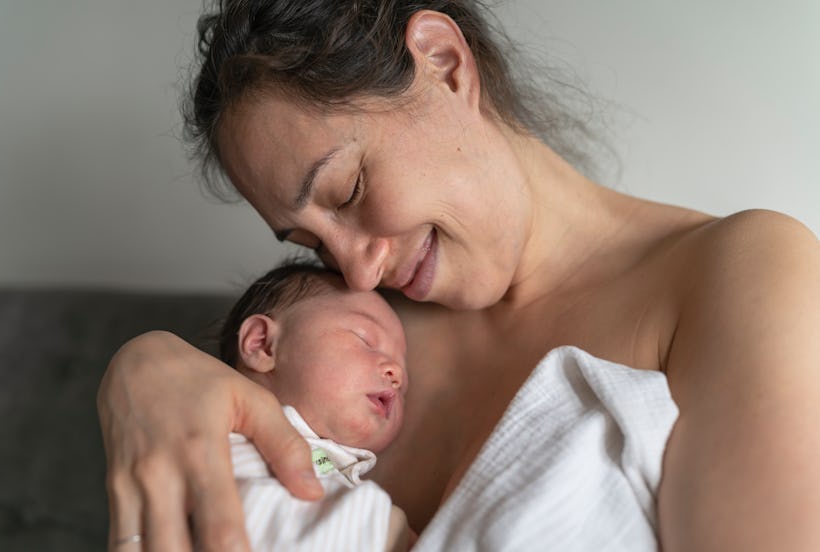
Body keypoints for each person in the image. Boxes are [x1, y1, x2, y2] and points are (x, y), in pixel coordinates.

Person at [97, 1, 820, 551]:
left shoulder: (735, 273)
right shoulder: (351, 344)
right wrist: (141, 363)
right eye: (308, 242)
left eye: (347, 190)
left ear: (444, 64)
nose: (355, 266)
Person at [217, 261, 411, 551]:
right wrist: (383, 529)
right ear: (263, 344)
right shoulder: (230, 440)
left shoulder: (328, 465)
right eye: (365, 340)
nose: (396, 373)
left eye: (405, 380)